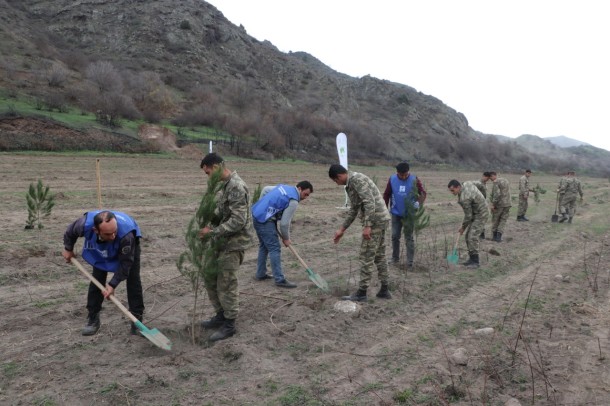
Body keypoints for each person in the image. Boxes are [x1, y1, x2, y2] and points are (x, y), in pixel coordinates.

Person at [62, 210, 144, 336]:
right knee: (97, 278)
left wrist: (112, 284)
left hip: (128, 246)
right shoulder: (84, 225)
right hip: (99, 247)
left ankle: (137, 320)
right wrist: (68, 249)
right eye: (108, 234)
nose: (112, 236)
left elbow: (125, 265)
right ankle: (93, 318)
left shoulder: (126, 235)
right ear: (96, 230)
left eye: (114, 232)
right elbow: (70, 232)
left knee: (133, 280)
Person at [198, 153, 252, 341]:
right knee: (210, 276)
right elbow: (223, 215)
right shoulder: (226, 186)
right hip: (222, 241)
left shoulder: (236, 186)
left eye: (208, 172)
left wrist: (211, 232)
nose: (208, 176)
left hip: (234, 243)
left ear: (218, 166)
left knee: (226, 283)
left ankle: (229, 323)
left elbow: (238, 220)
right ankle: (221, 314)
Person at [329, 164, 391, 301]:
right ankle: (385, 290)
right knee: (379, 255)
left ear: (339, 176)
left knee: (366, 255)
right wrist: (342, 229)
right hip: (380, 220)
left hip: (375, 221)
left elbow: (369, 202)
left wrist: (368, 226)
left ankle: (362, 293)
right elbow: (354, 209)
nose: (337, 184)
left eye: (335, 181)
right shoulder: (352, 182)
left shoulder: (356, 180)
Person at [251, 181, 313, 288]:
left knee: (264, 246)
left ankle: (260, 274)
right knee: (274, 248)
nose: (306, 197)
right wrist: (286, 238)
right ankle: (280, 279)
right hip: (265, 220)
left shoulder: (284, 188)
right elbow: (284, 224)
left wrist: (263, 206)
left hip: (256, 214)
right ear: (299, 189)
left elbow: (265, 189)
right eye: (305, 194)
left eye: (308, 195)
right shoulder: (293, 200)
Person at [382, 162, 426, 267]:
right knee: (395, 236)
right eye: (402, 175)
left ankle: (410, 262)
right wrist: (385, 208)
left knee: (409, 237)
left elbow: (423, 193)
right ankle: (395, 258)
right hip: (396, 213)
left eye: (406, 174)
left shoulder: (414, 179)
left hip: (409, 214)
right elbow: (387, 194)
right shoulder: (392, 179)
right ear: (397, 173)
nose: (404, 176)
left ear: (408, 171)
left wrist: (418, 203)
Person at [447, 180, 489, 268]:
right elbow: (481, 184)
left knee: (472, 236)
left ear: (458, 187)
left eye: (452, 190)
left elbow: (468, 216)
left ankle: (475, 262)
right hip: (476, 212)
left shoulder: (464, 198)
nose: (452, 192)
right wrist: (483, 196)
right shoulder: (467, 183)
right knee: (467, 236)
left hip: (481, 214)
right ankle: (471, 258)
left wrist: (463, 227)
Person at [489, 171, 512, 242]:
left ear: (493, 176)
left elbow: (497, 194)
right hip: (508, 203)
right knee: (503, 220)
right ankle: (499, 237)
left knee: (495, 219)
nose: (491, 180)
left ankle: (494, 236)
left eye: (490, 178)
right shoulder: (505, 180)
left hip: (500, 204)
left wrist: (493, 204)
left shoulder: (496, 182)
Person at [473, 172, 492, 239]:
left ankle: (481, 234)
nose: (487, 180)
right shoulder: (478, 183)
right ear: (483, 176)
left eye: (488, 179)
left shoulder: (484, 184)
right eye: (487, 178)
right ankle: (479, 234)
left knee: (482, 219)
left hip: (482, 204)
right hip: (477, 203)